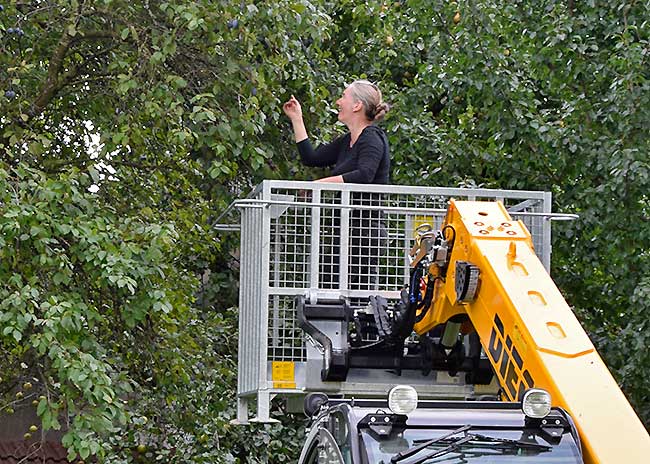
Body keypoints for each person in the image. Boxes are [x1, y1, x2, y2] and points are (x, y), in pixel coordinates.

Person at [282, 81, 391, 289]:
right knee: (326, 290)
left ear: (357, 105)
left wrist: (320, 184)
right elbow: (311, 157)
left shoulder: (372, 137)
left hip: (365, 233)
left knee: (360, 298)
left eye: (343, 96)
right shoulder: (346, 141)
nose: (338, 102)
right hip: (343, 230)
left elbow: (364, 175)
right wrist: (297, 118)